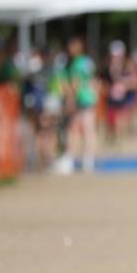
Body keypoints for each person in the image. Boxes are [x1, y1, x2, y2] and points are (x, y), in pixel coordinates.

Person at [62, 37, 98, 173]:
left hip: (81, 99)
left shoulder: (76, 64)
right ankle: (88, 160)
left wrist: (70, 100)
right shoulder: (88, 62)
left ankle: (71, 159)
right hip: (89, 99)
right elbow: (93, 80)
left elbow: (75, 84)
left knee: (74, 130)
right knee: (88, 130)